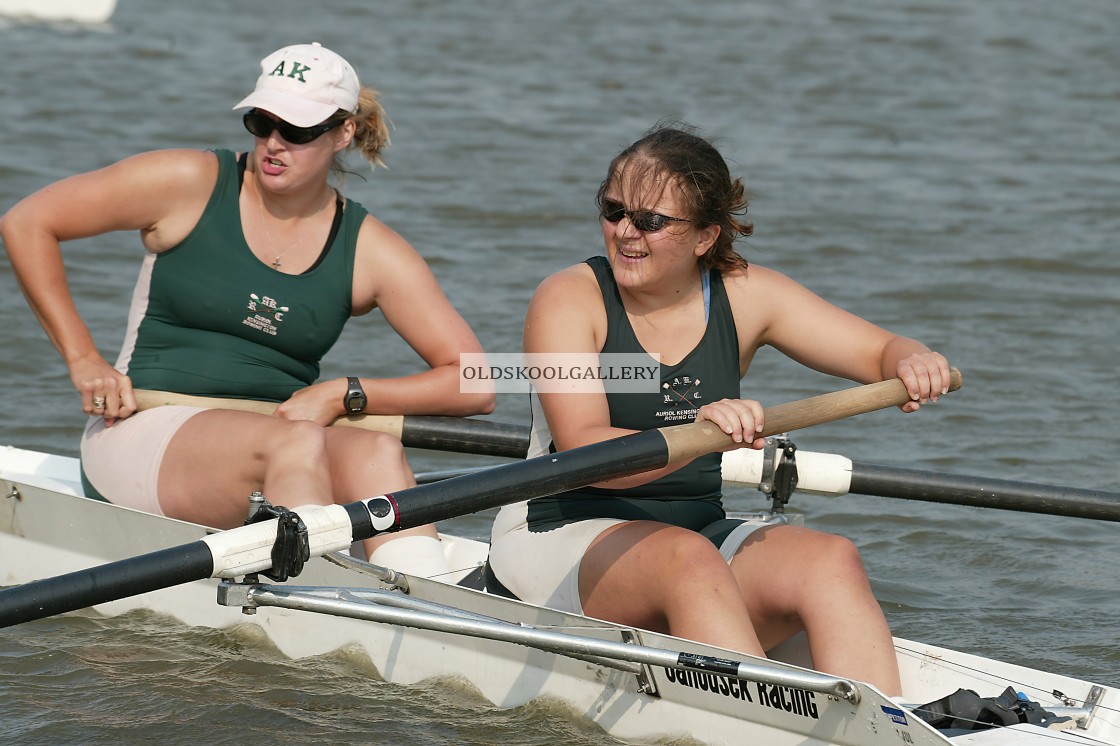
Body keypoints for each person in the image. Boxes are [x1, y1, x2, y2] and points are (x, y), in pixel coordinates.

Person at [488, 123, 952, 695]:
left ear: (705, 237)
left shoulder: (748, 295)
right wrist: (699, 430)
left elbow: (882, 350)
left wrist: (914, 361)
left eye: (651, 221)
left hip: (692, 535)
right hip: (559, 530)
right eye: (613, 211)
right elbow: (586, 447)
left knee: (831, 558)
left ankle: (885, 729)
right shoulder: (568, 297)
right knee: (686, 560)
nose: (625, 233)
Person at [0, 42, 495, 576]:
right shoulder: (189, 182)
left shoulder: (370, 248)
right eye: (261, 123)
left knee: (375, 452)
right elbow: (28, 222)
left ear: (343, 133)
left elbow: (476, 382)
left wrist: (345, 392)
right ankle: (321, 600)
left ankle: (425, 597)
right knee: (298, 443)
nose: (273, 144)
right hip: (141, 429)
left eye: (298, 130)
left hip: (277, 441)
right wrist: (83, 359)